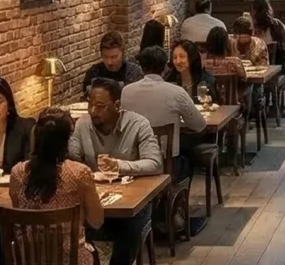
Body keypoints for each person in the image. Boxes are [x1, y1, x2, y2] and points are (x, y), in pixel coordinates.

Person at [70, 78, 162, 265]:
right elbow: (71, 158)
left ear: (117, 105)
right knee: (74, 224)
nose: (93, 111)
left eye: (100, 106)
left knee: (129, 229)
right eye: (90, 104)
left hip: (133, 202)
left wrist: (120, 166)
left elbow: (155, 163)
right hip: (96, 201)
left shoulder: (138, 124)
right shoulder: (82, 125)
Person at [10, 108, 104, 265]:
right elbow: (96, 221)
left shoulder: (17, 173)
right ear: (67, 140)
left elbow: (18, 213)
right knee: (94, 253)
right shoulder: (79, 173)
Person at [121, 46, 207, 180]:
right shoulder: (176, 92)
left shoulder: (126, 92)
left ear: (141, 67)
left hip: (134, 160)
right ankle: (179, 197)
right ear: (165, 66)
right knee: (188, 156)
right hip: (168, 162)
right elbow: (199, 125)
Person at [82, 32, 143, 96]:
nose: (109, 62)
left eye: (114, 57)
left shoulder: (133, 72)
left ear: (122, 53)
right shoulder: (93, 73)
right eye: (105, 57)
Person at [202, 26, 249, 106]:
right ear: (227, 43)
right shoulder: (235, 62)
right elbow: (244, 82)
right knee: (250, 89)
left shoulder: (202, 63)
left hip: (208, 106)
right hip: (231, 106)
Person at [166, 39, 217, 103]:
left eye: (182, 56)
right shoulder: (169, 81)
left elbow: (218, 107)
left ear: (192, 58)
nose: (178, 61)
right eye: (174, 57)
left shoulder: (207, 81)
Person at [251, 0, 285, 66]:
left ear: (254, 10)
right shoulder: (277, 23)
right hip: (278, 63)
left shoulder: (251, 25)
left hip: (257, 64)